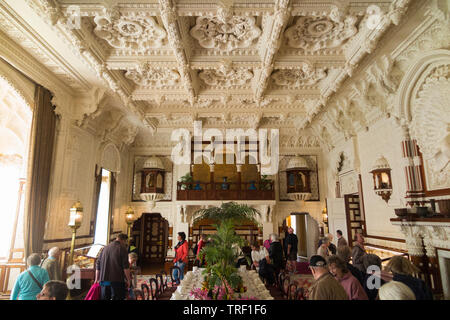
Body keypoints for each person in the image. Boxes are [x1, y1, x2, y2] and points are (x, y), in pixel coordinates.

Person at [95, 233, 132, 300]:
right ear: (124, 240)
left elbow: (98, 264)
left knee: (105, 297)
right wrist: (129, 280)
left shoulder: (105, 247)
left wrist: (96, 278)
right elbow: (125, 267)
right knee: (117, 297)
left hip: (104, 279)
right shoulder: (122, 248)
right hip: (116, 280)